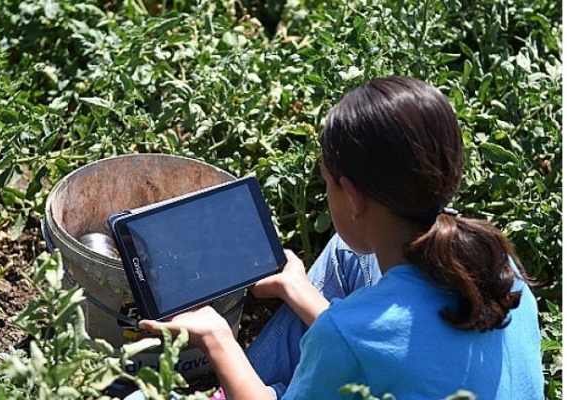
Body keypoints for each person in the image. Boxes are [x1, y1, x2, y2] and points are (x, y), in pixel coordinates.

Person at [132, 76, 545, 399]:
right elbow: (397, 346)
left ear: (353, 195)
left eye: (327, 184)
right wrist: (298, 289)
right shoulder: (500, 269)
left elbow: (365, 342)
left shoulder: (347, 335)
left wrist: (215, 336)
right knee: (345, 254)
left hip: (345, 347)